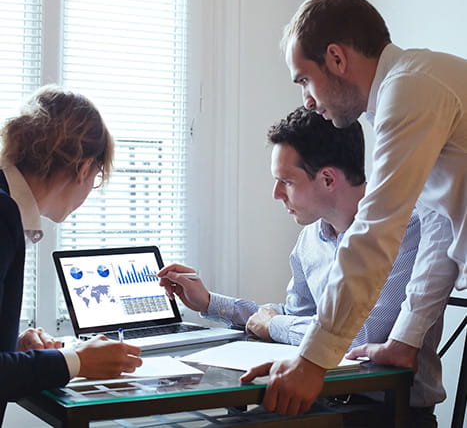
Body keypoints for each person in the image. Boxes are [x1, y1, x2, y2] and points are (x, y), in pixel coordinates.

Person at [240, 0, 464, 417]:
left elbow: (376, 232)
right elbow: (440, 227)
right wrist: (404, 342)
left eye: (304, 79)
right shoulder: (411, 88)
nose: (306, 99)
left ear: (337, 59)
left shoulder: (409, 90)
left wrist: (311, 361)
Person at [158, 108, 444, 425]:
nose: (276, 194)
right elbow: (298, 320)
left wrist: (274, 325)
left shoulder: (405, 228)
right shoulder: (310, 239)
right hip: (318, 399)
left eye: (286, 181)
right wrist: (211, 303)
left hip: (389, 411)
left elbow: (357, 340)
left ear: (327, 179)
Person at [0, 85, 142, 424]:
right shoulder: (2, 215)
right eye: (95, 179)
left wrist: (14, 346)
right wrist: (76, 361)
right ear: (83, 169)